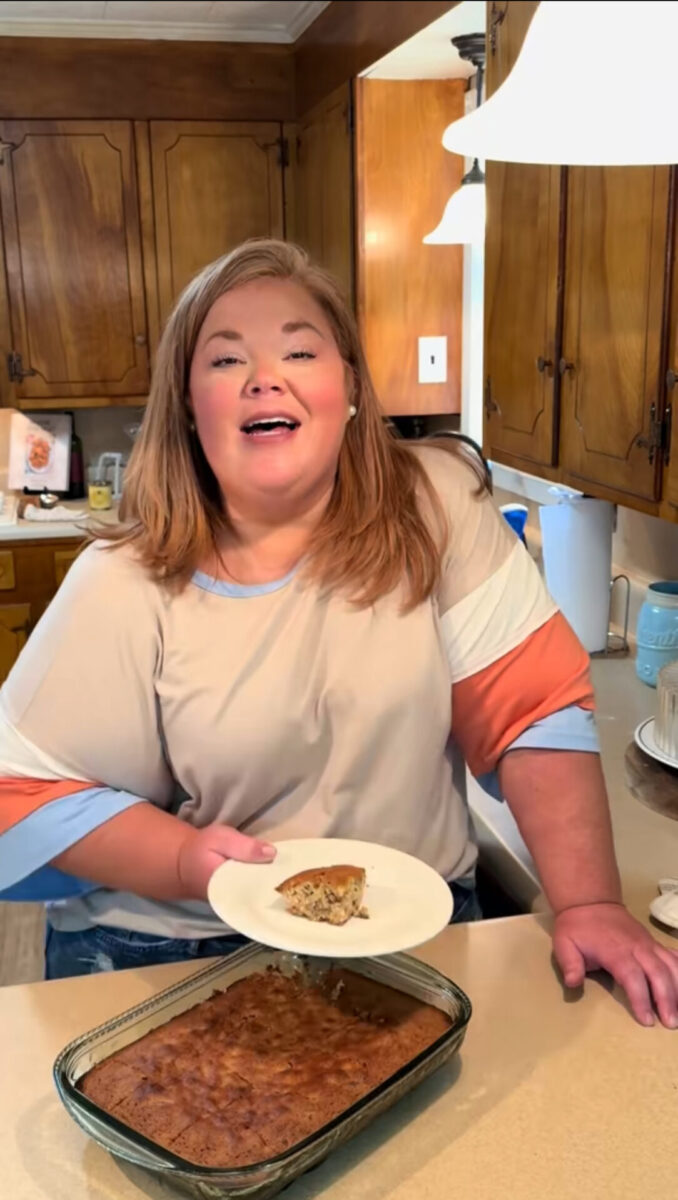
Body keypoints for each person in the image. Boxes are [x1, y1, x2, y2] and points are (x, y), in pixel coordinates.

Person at [0, 240, 675, 1028]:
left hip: (410, 941)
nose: (265, 376)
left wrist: (590, 899)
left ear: (350, 384)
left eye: (299, 349)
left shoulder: (437, 508)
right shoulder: (124, 579)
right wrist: (184, 861)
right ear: (188, 404)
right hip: (176, 953)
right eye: (225, 361)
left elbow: (532, 713)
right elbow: (22, 793)